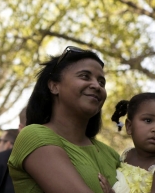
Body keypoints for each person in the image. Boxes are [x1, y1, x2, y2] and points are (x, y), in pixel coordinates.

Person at [8, 46, 120, 193]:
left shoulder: (111, 154)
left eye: (101, 82)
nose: (96, 86)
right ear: (54, 86)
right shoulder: (34, 136)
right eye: (85, 76)